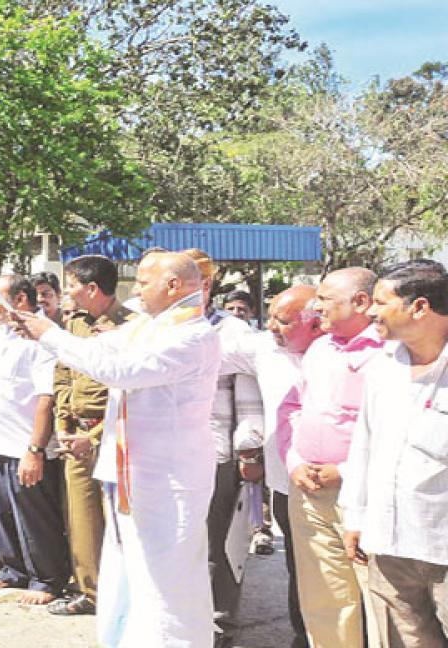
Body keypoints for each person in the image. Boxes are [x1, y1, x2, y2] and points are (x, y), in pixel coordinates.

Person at [19, 252, 221, 647]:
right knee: (131, 573)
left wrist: (49, 334)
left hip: (170, 479)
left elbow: (120, 370)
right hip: (135, 475)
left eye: (144, 282)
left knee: (168, 582)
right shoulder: (152, 326)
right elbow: (103, 350)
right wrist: (42, 329)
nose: (137, 290)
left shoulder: (192, 335)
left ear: (173, 286)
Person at [342, 260, 448, 647]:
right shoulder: (383, 366)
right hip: (389, 543)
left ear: (418, 307)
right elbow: (365, 444)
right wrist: (356, 516)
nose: (370, 312)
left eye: (380, 302)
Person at [278, 267, 384, 648]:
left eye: (324, 299)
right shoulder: (320, 348)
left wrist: (346, 471)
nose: (315, 306)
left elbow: (394, 433)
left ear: (361, 302)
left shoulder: (389, 353)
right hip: (310, 491)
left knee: (379, 600)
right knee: (324, 597)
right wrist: (293, 461)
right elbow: (291, 408)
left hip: (364, 494)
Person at [221, 284, 322, 648]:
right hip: (286, 484)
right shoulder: (262, 347)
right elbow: (201, 358)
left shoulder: (346, 352)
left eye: (282, 320)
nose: (272, 328)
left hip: (341, 486)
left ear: (316, 321)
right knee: (300, 569)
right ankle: (302, 635)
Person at [182, 248, 263, 647]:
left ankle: (218, 621)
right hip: (166, 457)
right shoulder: (154, 326)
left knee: (214, 543)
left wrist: (248, 450)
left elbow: (249, 393)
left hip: (214, 454)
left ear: (206, 283)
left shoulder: (232, 331)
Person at [51, 255, 136, 616]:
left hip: (115, 437)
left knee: (122, 525)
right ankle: (92, 593)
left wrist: (96, 435)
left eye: (70, 285)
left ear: (91, 288)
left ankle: (128, 599)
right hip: (76, 439)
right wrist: (63, 426)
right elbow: (63, 375)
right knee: (82, 520)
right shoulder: (76, 324)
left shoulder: (132, 327)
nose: (67, 292)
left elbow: (132, 393)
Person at [0, 274, 71, 604]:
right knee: (2, 513)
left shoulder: (42, 338)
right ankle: (13, 569)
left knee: (35, 518)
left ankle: (47, 579)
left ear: (19, 300)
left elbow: (47, 397)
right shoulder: (3, 335)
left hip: (25, 445)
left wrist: (35, 449)